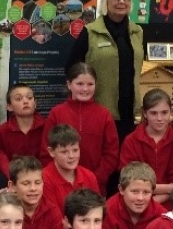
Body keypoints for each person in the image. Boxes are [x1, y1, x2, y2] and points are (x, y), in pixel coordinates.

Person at [65, 0, 143, 141]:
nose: (121, 1)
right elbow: (71, 69)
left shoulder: (137, 32)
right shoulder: (90, 32)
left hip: (129, 110)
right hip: (99, 109)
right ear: (106, 1)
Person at [41, 63, 119, 194]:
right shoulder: (57, 113)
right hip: (60, 187)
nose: (85, 89)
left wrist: (93, 179)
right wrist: (59, 178)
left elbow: (111, 154)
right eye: (79, 84)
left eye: (90, 84)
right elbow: (46, 151)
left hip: (95, 187)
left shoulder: (104, 115)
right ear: (69, 84)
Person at [119, 89, 173, 205]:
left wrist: (154, 203)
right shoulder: (131, 141)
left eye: (164, 112)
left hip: (171, 203)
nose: (159, 118)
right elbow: (129, 182)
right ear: (145, 113)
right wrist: (169, 188)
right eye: (153, 113)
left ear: (171, 112)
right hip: (137, 201)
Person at [103, 162, 164, 229]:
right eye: (135, 191)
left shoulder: (161, 216)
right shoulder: (109, 210)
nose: (140, 198)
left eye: (146, 192)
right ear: (121, 189)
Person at [7, 155, 64, 229]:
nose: (33, 188)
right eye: (26, 183)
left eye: (37, 183)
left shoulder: (52, 212)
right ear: (12, 186)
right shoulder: (3, 212)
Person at [41, 124, 99, 212]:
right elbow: (53, 219)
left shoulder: (89, 176)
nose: (71, 156)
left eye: (75, 150)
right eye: (64, 152)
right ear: (51, 152)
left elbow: (97, 211)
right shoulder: (44, 179)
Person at [0, 83, 45, 160]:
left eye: (29, 97)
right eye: (18, 99)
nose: (26, 101)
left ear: (35, 104)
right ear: (9, 107)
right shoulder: (2, 132)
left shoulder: (47, 127)